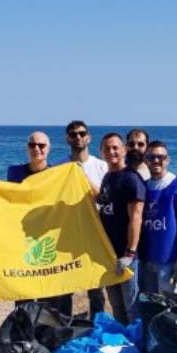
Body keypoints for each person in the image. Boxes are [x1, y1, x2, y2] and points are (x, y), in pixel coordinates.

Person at [63, 120, 110, 317]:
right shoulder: (59, 168)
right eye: (73, 134)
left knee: (96, 287)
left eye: (82, 134)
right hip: (67, 235)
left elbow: (105, 199)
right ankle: (63, 329)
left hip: (96, 233)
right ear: (67, 139)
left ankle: (96, 325)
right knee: (64, 287)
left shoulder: (102, 167)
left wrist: (81, 175)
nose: (78, 138)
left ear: (88, 137)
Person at [97, 133, 145, 323]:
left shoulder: (131, 178)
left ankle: (137, 347)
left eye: (115, 147)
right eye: (107, 148)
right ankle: (124, 348)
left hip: (127, 256)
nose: (112, 152)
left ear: (124, 150)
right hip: (109, 254)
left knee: (131, 307)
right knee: (116, 306)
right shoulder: (108, 177)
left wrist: (130, 252)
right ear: (101, 152)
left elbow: (136, 216)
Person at [138, 141, 177, 294]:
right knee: (148, 306)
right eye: (151, 157)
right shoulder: (142, 187)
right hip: (145, 259)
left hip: (169, 261)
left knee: (167, 307)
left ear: (168, 160)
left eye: (160, 157)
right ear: (145, 160)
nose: (156, 161)